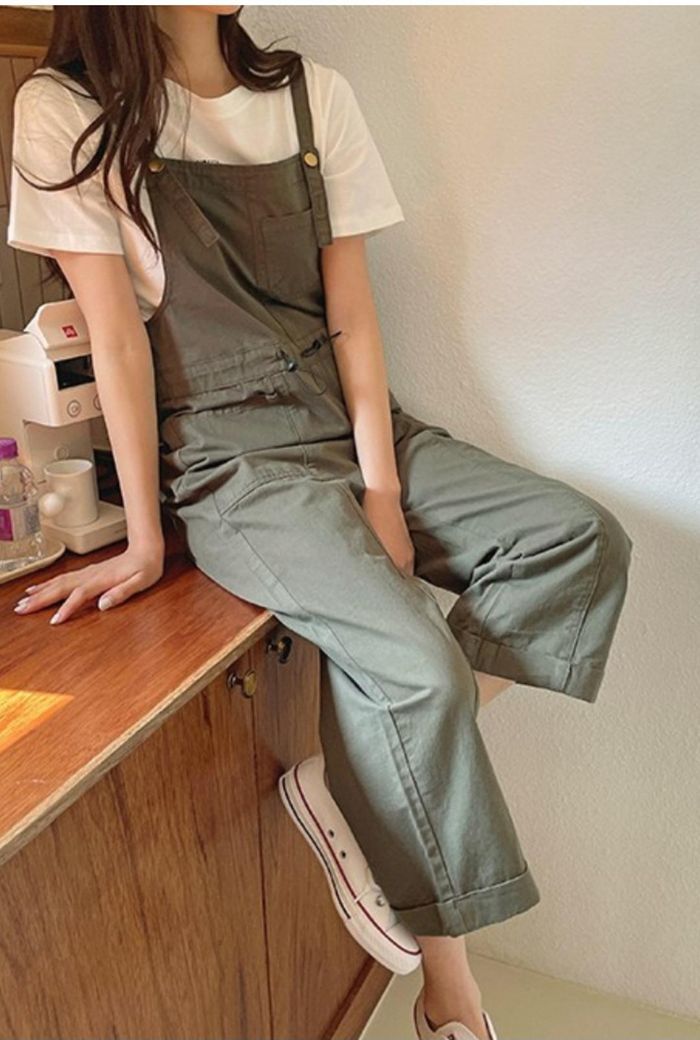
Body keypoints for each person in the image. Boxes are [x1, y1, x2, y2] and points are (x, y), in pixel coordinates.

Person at [8, 8, 633, 1040]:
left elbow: (351, 314)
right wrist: (147, 538)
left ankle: (350, 782)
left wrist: (382, 490)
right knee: (419, 672)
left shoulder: (308, 94)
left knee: (575, 540)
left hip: (348, 419)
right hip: (231, 455)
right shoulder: (66, 108)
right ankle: (452, 997)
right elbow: (117, 343)